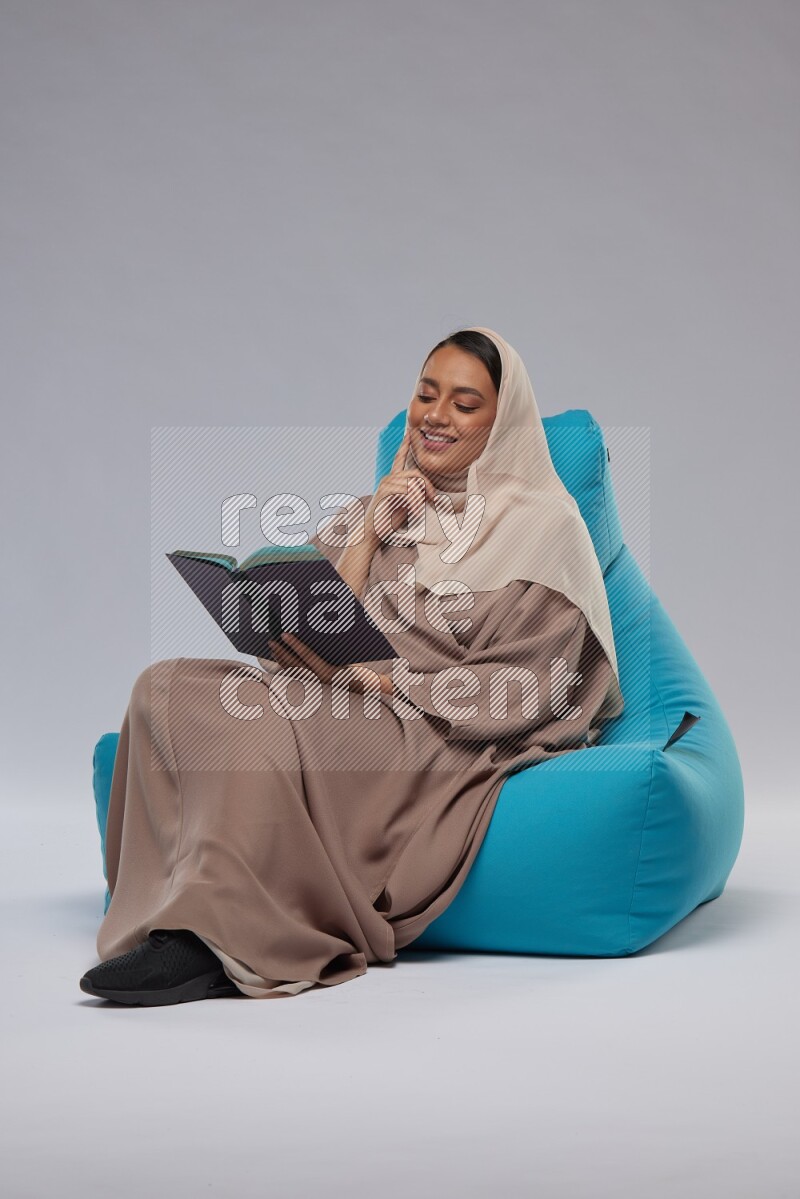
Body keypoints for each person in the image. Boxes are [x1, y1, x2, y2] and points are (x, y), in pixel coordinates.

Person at [80, 326, 624, 1005]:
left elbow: (531, 685)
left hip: (432, 727)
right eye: (427, 395)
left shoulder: (547, 528)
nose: (435, 415)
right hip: (339, 695)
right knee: (163, 688)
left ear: (501, 420)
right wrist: (369, 529)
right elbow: (315, 619)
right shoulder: (385, 505)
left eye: (463, 402)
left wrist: (386, 681)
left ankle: (220, 942)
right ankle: (166, 909)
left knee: (262, 725)